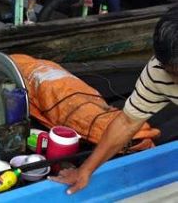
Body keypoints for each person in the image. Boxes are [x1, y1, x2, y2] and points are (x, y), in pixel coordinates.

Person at [51, 10, 178, 194]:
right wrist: (85, 170)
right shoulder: (158, 72)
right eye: (172, 73)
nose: (174, 81)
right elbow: (127, 123)